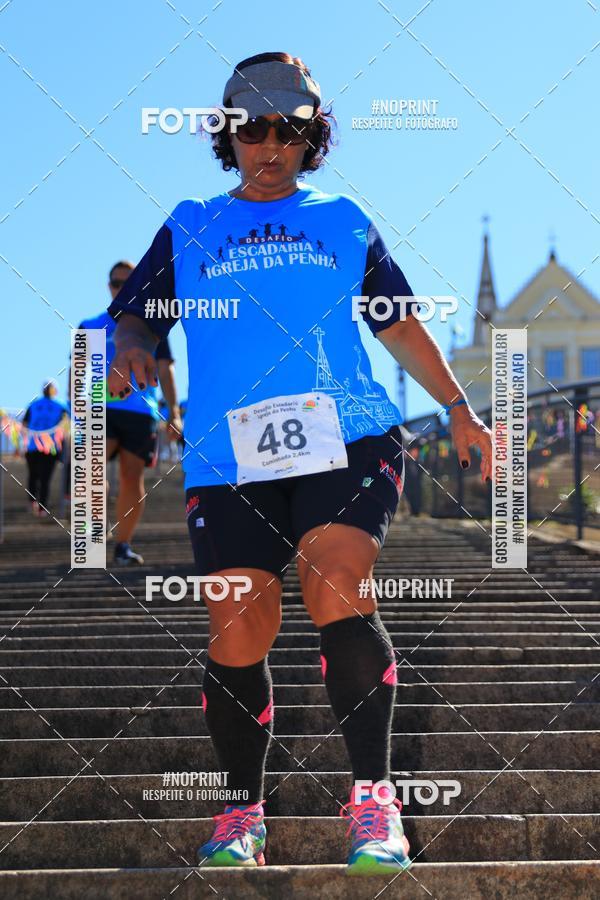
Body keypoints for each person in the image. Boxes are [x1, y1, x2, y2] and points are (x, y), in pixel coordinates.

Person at [107, 51, 492, 874]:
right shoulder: (190, 221)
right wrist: (135, 341)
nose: (269, 144)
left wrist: (460, 407)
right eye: (252, 129)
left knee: (338, 580)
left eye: (289, 129)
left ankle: (373, 801)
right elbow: (136, 314)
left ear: (312, 136)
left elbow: (396, 322)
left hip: (345, 435)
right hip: (228, 454)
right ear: (228, 136)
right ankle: (241, 811)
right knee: (239, 627)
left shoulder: (343, 217)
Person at [76, 260, 181, 564]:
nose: (121, 288)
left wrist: (173, 412)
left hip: (140, 410)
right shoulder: (90, 325)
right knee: (92, 473)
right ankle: (92, 535)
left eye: (127, 282)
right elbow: (77, 371)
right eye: (115, 283)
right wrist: (74, 408)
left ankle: (122, 545)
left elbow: (166, 369)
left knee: (131, 476)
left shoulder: (152, 326)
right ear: (109, 286)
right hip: (100, 405)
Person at [22, 379, 68, 517]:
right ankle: (36, 505)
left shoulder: (36, 405)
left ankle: (38, 506)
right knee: (38, 476)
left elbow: (24, 424)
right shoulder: (59, 406)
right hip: (38, 446)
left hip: (44, 447)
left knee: (40, 477)